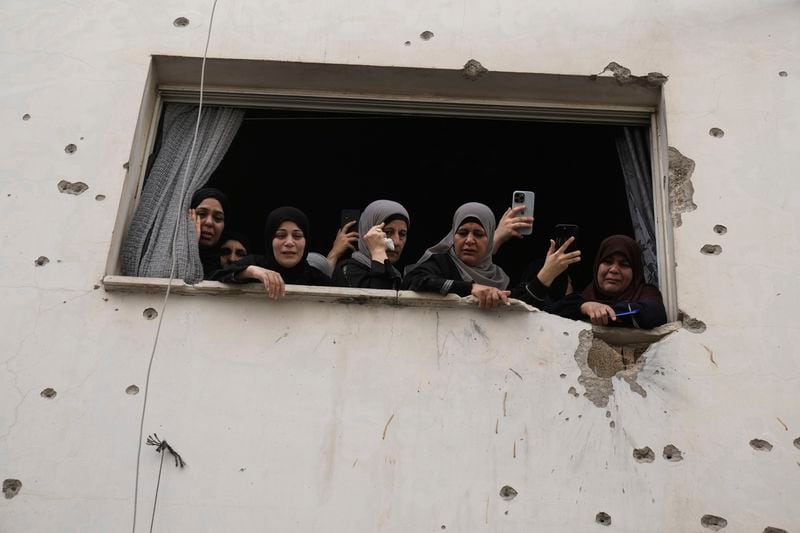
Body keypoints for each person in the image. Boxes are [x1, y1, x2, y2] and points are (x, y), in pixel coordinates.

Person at [402, 202, 510, 309]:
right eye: (463, 233)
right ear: (453, 237)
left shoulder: (499, 277)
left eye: (478, 234)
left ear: (490, 240)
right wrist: (470, 288)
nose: (469, 240)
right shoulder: (441, 263)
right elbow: (413, 280)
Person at [548, 235, 667, 328]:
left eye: (624, 264)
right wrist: (585, 307)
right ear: (597, 267)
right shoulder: (583, 297)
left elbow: (655, 315)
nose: (614, 270)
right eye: (608, 262)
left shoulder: (646, 293)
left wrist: (604, 311)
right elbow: (551, 312)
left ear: (635, 271)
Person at [212, 206, 331, 298]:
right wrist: (250, 271)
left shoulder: (317, 279)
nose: (289, 242)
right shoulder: (255, 264)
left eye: (297, 236)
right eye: (281, 235)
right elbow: (214, 278)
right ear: (269, 240)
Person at [333, 200, 410, 290]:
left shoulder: (397, 275)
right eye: (388, 232)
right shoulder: (348, 270)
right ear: (368, 232)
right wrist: (378, 252)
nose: (396, 242)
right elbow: (378, 301)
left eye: (402, 234)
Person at [188, 187, 229, 279]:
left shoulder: (227, 267)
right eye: (201, 214)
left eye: (218, 218)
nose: (209, 222)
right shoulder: (170, 261)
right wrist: (191, 244)